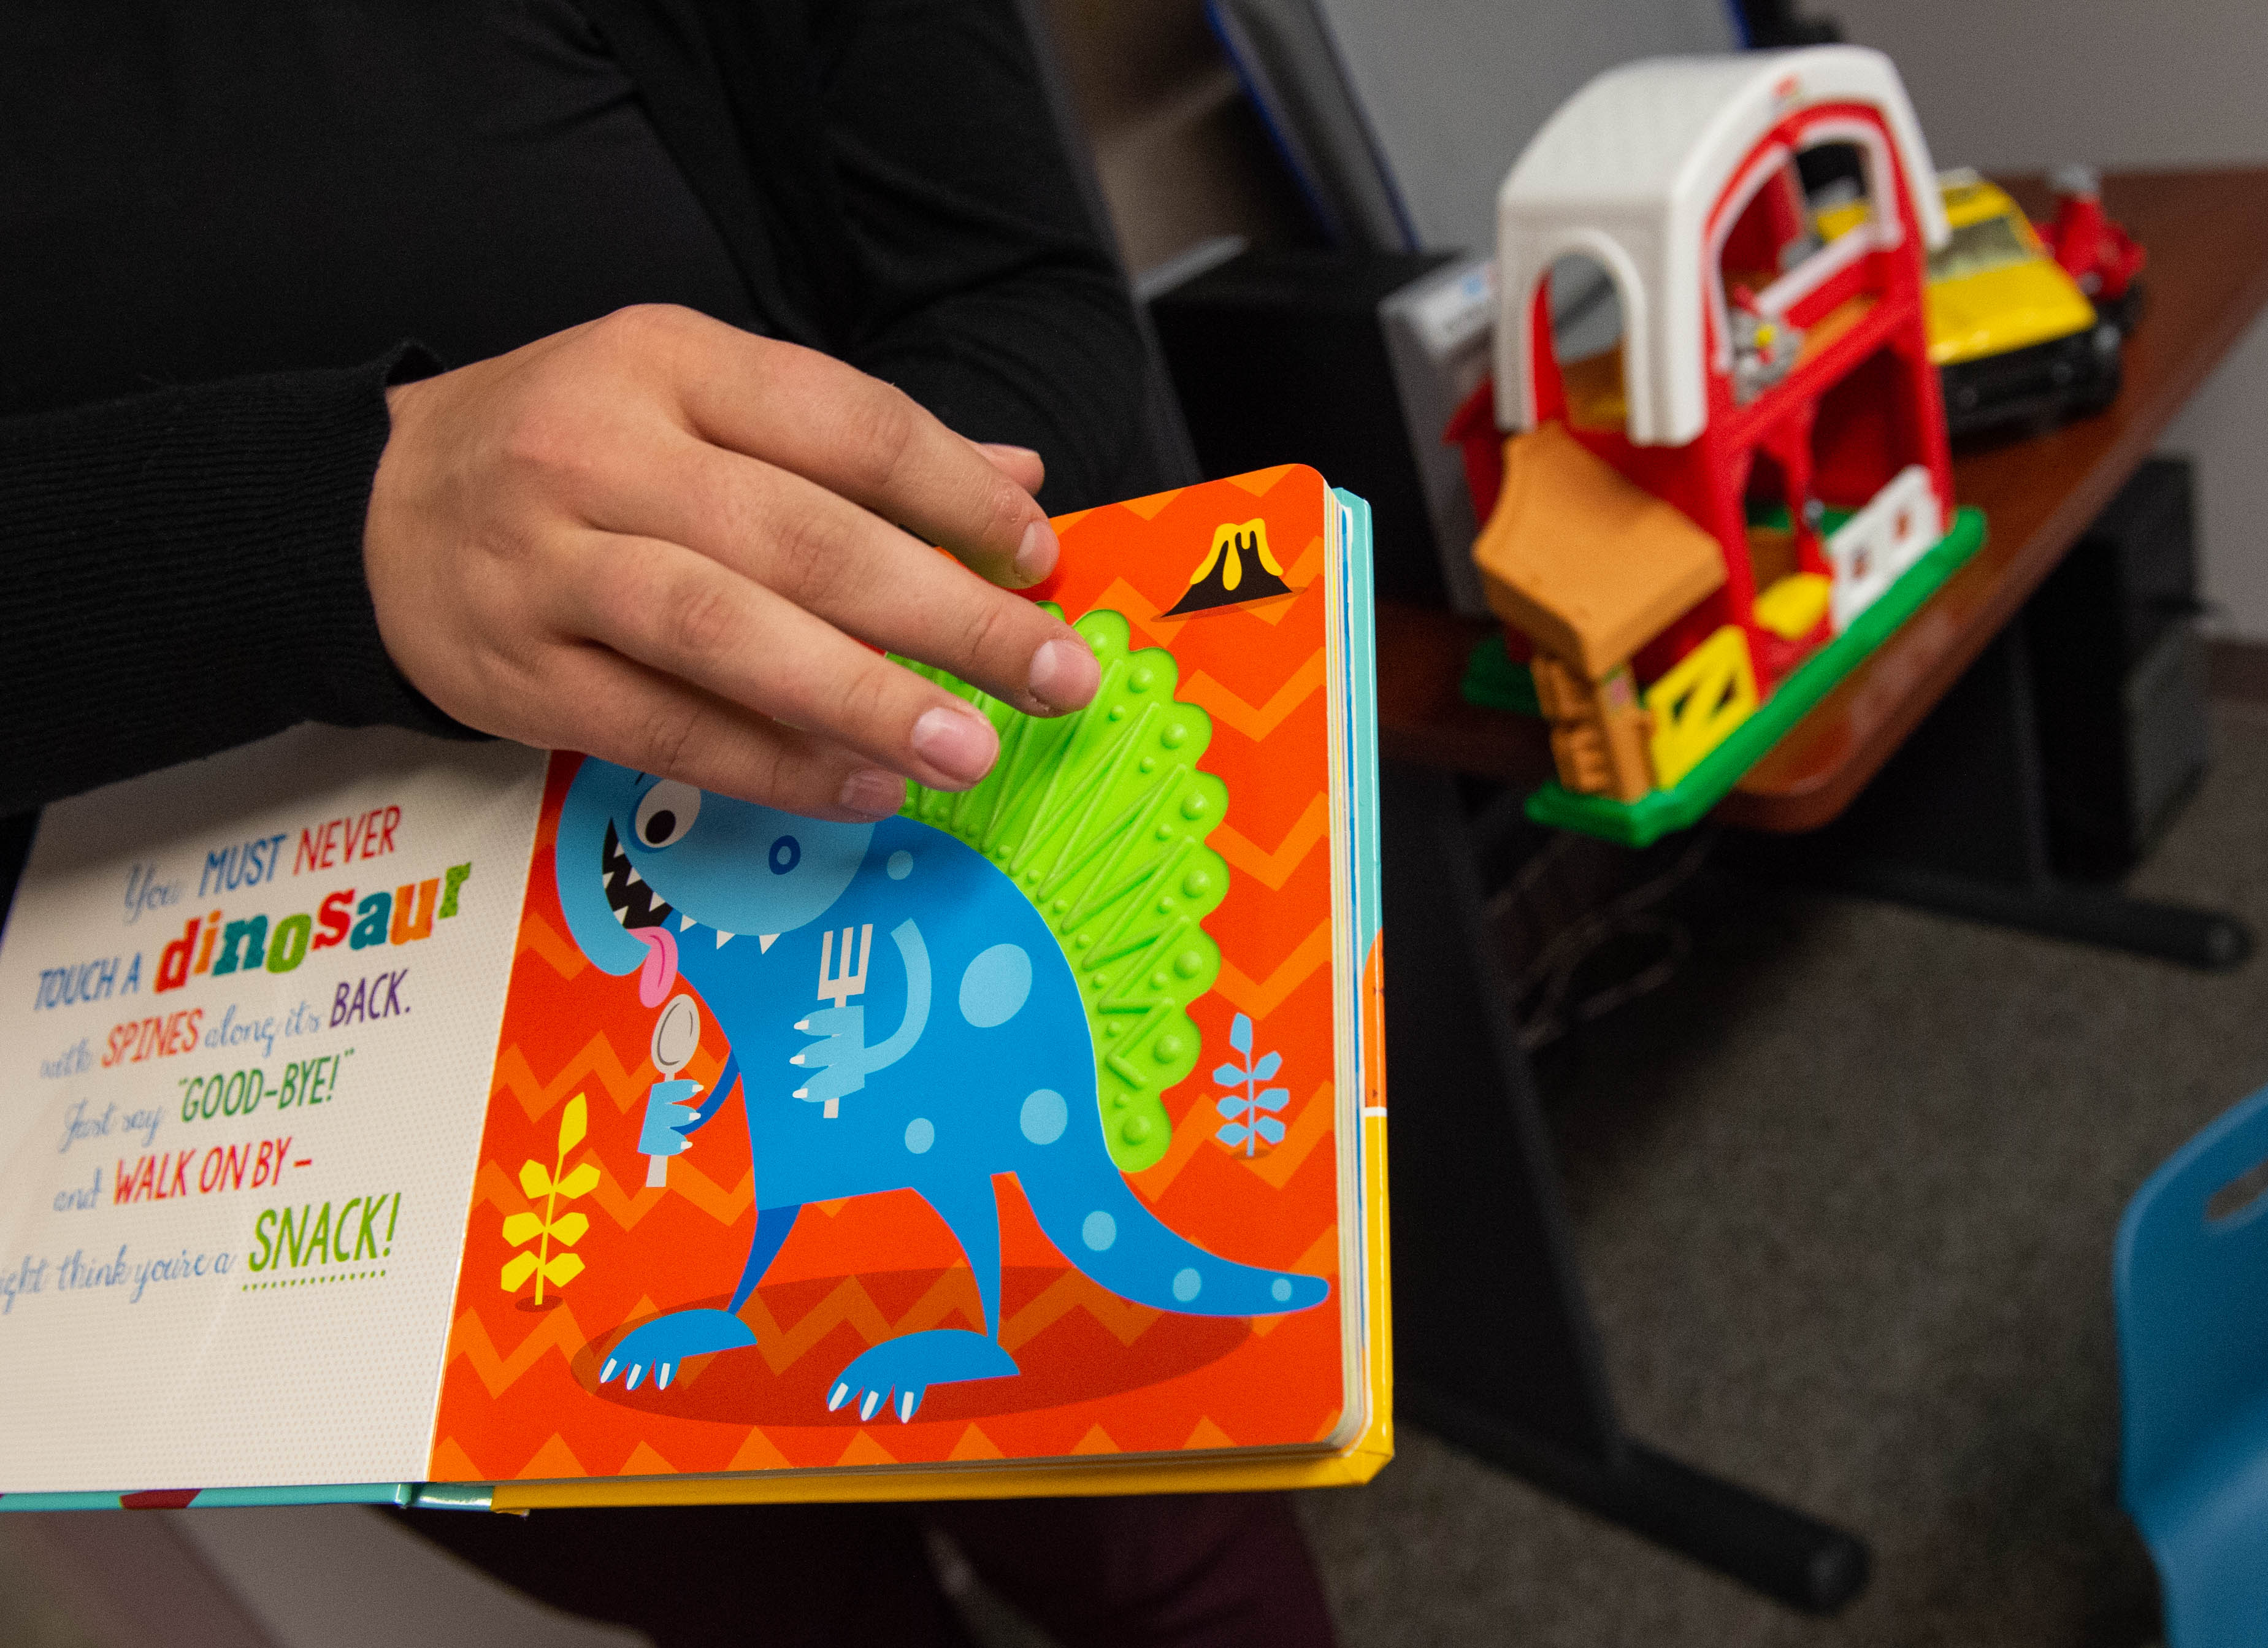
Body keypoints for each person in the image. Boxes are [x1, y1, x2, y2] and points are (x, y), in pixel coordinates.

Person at [0, 2, 1338, 1642]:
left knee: (1163, 1562)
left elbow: (1021, 295)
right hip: (235, 1111)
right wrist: (337, 527)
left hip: (870, 886)